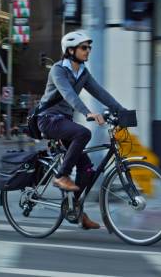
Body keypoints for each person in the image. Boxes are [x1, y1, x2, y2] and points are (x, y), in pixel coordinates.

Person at [37, 30, 126, 230]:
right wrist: (87, 113)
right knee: (83, 133)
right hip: (48, 119)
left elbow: (100, 92)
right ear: (70, 50)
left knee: (87, 171)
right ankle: (61, 176)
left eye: (89, 47)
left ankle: (74, 209)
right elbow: (69, 95)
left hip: (63, 123)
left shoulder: (83, 72)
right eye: (84, 47)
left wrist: (121, 110)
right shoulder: (58, 70)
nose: (88, 51)